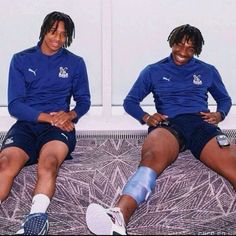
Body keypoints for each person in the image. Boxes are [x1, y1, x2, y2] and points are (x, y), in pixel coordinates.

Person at [85, 24, 236, 235]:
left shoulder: (207, 70)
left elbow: (224, 99)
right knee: (151, 158)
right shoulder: (154, 71)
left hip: (199, 123)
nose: (183, 52)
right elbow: (131, 101)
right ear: (172, 43)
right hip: (168, 125)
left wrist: (219, 114)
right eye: (180, 45)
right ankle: (118, 217)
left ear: (197, 50)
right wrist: (147, 117)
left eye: (190, 48)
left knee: (233, 164)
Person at [0, 11, 90, 235]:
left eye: (63, 35)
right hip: (27, 125)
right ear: (43, 31)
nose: (57, 39)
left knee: (48, 163)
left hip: (58, 129)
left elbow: (84, 101)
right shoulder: (21, 59)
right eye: (53, 32)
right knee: (5, 164)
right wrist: (50, 117)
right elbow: (15, 105)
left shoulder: (75, 63)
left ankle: (36, 219)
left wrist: (69, 115)